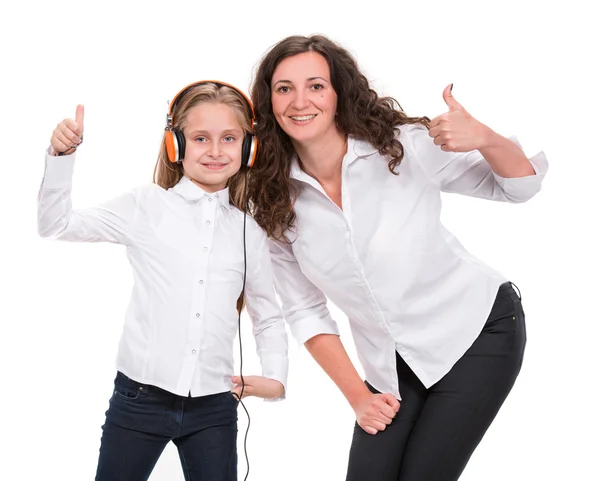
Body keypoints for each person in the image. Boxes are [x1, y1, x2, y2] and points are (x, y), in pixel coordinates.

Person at [247, 34, 547, 481]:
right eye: (284, 88)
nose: (299, 101)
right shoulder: (274, 199)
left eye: (316, 85)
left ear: (337, 93)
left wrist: (484, 137)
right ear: (269, 102)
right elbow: (306, 311)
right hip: (390, 366)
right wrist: (358, 397)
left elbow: (520, 185)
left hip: (477, 334)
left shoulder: (400, 146)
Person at [37, 80, 288, 481]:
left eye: (229, 138)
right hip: (139, 400)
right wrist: (62, 156)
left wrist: (276, 377)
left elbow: (268, 316)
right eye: (201, 138)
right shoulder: (146, 206)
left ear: (247, 147)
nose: (216, 151)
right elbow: (56, 224)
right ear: (176, 144)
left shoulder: (248, 232)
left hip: (214, 407)